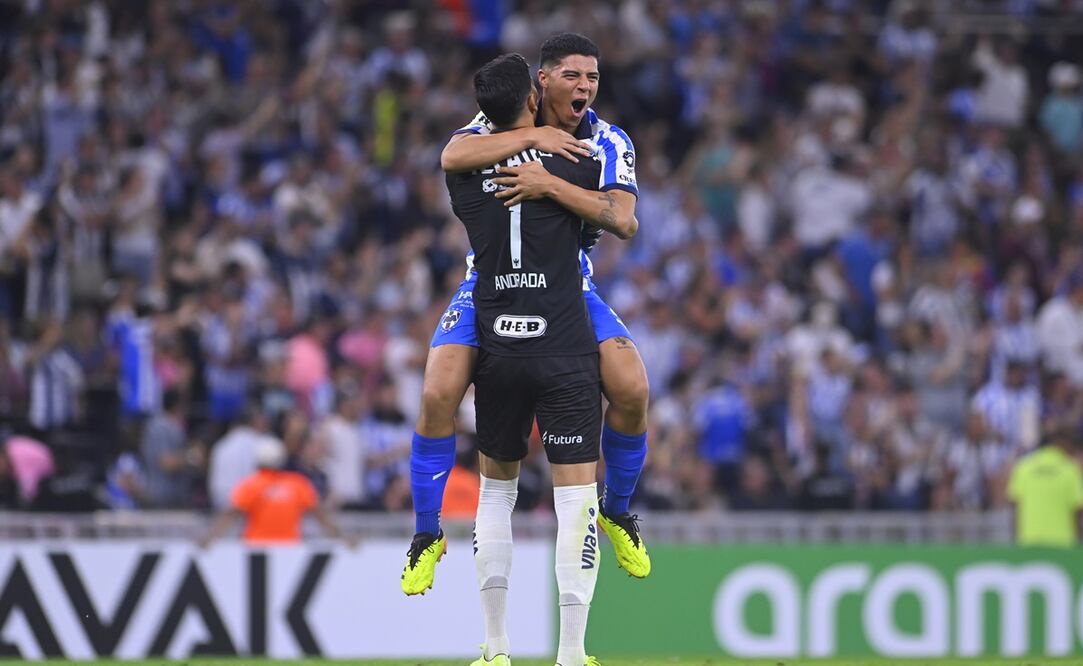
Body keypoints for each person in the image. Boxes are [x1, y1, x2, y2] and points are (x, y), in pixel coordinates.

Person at [407, 32, 651, 594]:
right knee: (438, 391)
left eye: (592, 77)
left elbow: (625, 220)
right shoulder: (498, 121)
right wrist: (534, 136)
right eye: (572, 75)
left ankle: (617, 511)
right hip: (488, 284)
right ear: (542, 82)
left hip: (569, 287)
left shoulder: (609, 141)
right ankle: (426, 534)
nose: (584, 86)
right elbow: (452, 154)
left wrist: (548, 184)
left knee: (632, 388)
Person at [199, 437, 351, 547]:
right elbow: (321, 516)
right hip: (289, 549)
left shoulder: (250, 485)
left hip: (256, 550)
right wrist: (344, 538)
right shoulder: (297, 484)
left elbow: (230, 515)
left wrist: (210, 538)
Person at [1007, 434, 1083, 547]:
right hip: (1063, 543)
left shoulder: (1023, 468)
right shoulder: (1070, 470)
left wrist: (1015, 537)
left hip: (1029, 540)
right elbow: (1078, 509)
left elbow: (1014, 504)